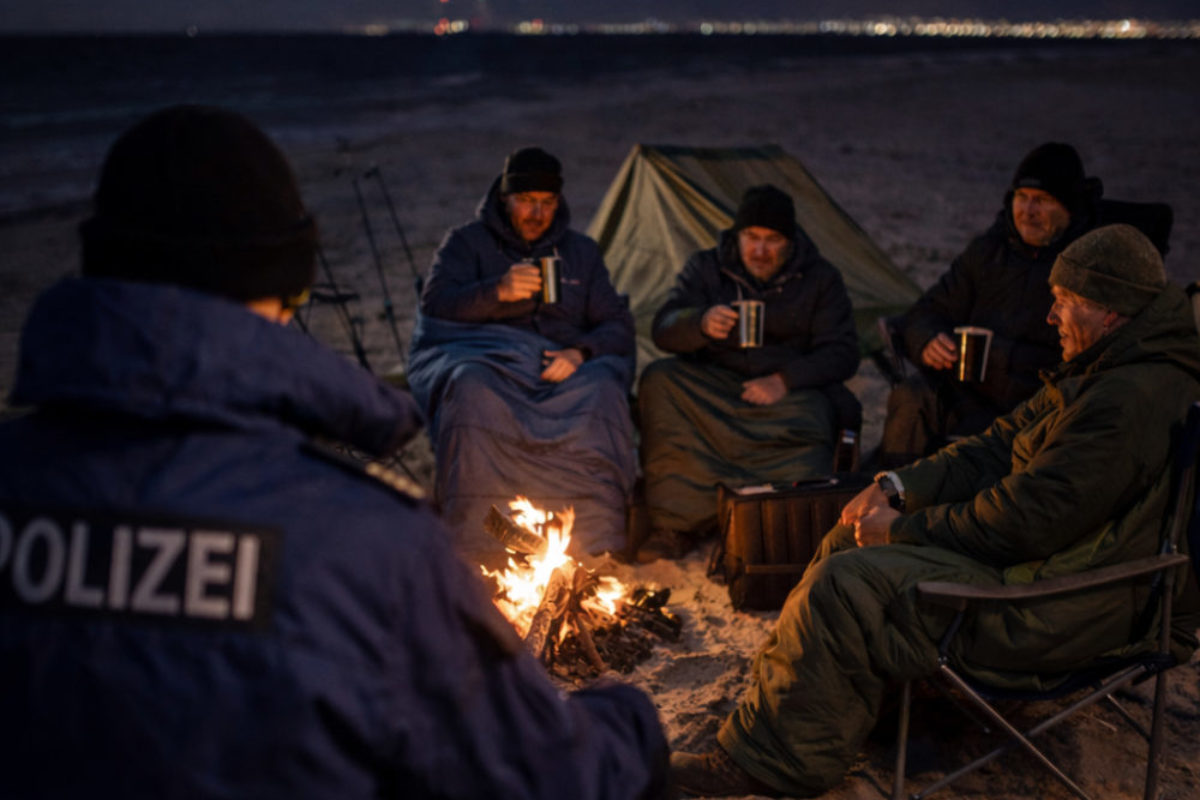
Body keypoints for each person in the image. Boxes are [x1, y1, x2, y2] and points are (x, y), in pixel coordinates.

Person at [0, 106, 669, 800]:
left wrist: (583, 352)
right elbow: (540, 771)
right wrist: (631, 724)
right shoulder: (368, 547)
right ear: (286, 287)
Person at [670, 224, 1200, 797]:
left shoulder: (1125, 398)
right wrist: (897, 485)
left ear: (1111, 311)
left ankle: (767, 766)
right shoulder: (1108, 364)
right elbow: (998, 444)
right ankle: (824, 721)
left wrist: (904, 529)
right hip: (1047, 563)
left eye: (1065, 303)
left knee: (845, 583)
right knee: (847, 539)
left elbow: (1025, 521)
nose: (1051, 318)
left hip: (1064, 601)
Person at [409, 147, 637, 564]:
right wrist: (496, 291)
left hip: (563, 367)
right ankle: (478, 540)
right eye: (527, 201)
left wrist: (580, 351)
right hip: (490, 361)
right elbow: (436, 304)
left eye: (547, 203)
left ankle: (595, 535)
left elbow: (616, 324)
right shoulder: (466, 243)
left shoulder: (580, 252)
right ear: (505, 199)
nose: (537, 213)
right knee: (469, 386)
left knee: (603, 389)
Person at [635, 184, 860, 562]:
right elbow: (664, 327)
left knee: (818, 419)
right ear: (737, 236)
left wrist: (784, 379)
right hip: (714, 386)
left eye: (772, 240)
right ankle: (677, 525)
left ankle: (771, 527)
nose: (759, 250)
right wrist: (701, 324)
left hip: (785, 397)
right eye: (751, 238)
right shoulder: (707, 268)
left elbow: (842, 352)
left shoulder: (819, 278)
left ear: (789, 242)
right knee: (660, 380)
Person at [878, 141, 1104, 466]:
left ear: (1068, 208)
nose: (1027, 211)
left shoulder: (1086, 266)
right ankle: (888, 499)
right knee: (911, 396)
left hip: (1037, 404)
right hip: (970, 397)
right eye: (1021, 198)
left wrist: (1002, 358)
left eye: (1041, 201)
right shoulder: (989, 252)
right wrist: (928, 340)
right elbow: (928, 311)